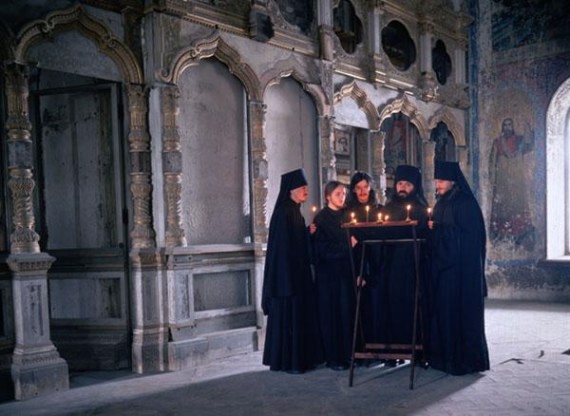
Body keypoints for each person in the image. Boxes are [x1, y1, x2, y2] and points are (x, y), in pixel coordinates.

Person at [427, 161, 490, 375]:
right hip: (445, 272)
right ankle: (444, 359)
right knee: (445, 315)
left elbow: (470, 241)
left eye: (441, 180)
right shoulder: (441, 204)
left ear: (453, 181)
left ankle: (465, 361)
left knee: (462, 316)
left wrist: (440, 231)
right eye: (436, 180)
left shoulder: (466, 204)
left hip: (462, 274)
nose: (438, 184)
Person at [262, 168, 323, 374]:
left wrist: (307, 234)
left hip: (296, 276)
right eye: (302, 187)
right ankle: (289, 362)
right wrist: (288, 279)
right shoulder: (283, 213)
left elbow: (296, 243)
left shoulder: (295, 211)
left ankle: (298, 360)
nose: (306, 190)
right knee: (289, 318)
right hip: (286, 279)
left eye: (306, 187)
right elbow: (281, 249)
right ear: (291, 190)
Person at [379, 165, 429, 363]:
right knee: (392, 307)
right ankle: (394, 352)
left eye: (407, 184)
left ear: (414, 187)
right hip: (391, 267)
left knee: (414, 308)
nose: (402, 187)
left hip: (414, 267)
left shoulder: (422, 211)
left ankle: (417, 352)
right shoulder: (387, 210)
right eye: (400, 183)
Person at [312, 181, 357, 371]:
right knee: (330, 316)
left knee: (346, 314)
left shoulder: (348, 215)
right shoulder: (321, 219)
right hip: (328, 277)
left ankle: (348, 355)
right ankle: (333, 358)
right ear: (328, 196)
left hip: (346, 274)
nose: (342, 197)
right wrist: (347, 247)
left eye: (344, 193)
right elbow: (321, 250)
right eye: (338, 194)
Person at [345, 172, 383, 347]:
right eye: (358, 188)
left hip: (377, 266)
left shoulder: (379, 211)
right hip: (355, 265)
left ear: (370, 188)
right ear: (353, 190)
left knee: (376, 308)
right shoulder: (347, 213)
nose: (362, 192)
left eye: (365, 187)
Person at [489, 117, 535, 249]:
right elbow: (492, 161)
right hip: (502, 179)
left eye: (510, 125)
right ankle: (501, 233)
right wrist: (492, 177)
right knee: (502, 206)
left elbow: (528, 145)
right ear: (502, 127)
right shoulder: (497, 142)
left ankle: (520, 233)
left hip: (517, 178)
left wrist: (528, 130)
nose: (508, 127)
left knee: (518, 203)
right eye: (505, 125)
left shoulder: (519, 140)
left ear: (512, 126)